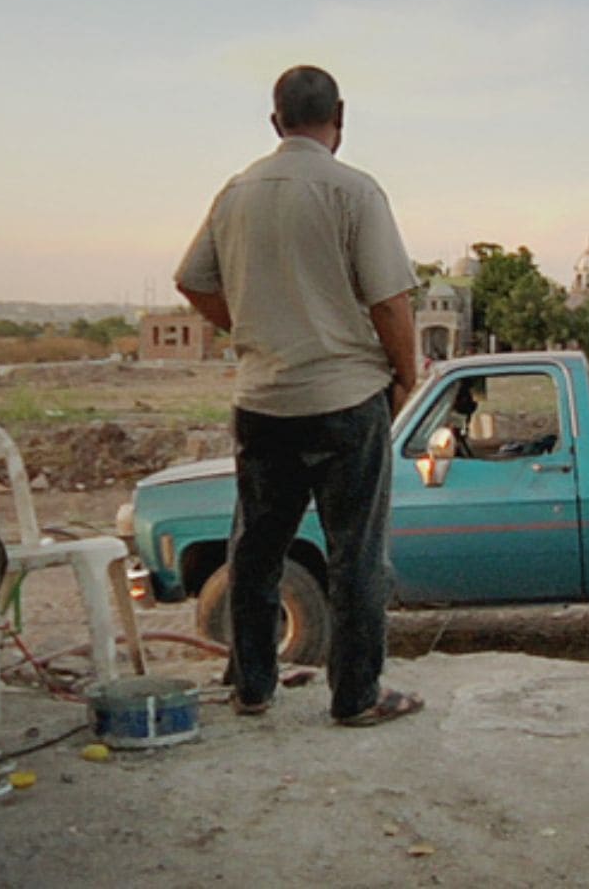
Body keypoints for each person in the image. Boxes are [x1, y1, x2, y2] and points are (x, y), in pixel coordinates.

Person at [174, 65, 424, 726]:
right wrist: (406, 374)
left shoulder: (237, 192)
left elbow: (193, 282)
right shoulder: (355, 191)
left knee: (256, 549)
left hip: (264, 402)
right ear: (339, 116)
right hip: (346, 400)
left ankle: (252, 686)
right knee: (356, 555)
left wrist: (252, 326)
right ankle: (357, 696)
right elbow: (391, 302)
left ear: (275, 120)